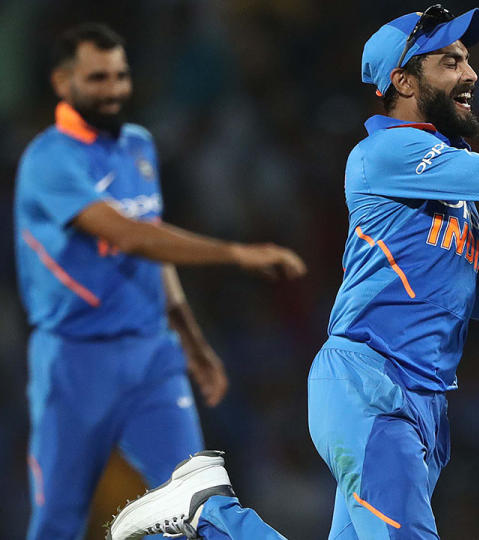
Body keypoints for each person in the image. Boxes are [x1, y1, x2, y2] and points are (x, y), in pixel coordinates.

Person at [108, 5, 479, 539]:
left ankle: (208, 511)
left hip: (422, 402)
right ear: (404, 81)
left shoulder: (446, 185)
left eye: (468, 59)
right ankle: (213, 514)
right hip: (371, 386)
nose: (471, 73)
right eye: (450, 61)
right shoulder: (388, 156)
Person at [14, 23, 306, 540]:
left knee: (202, 499)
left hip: (152, 356)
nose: (114, 89)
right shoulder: (47, 160)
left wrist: (190, 340)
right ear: (63, 82)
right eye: (98, 77)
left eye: (121, 76)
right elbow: (127, 236)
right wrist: (235, 254)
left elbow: (151, 244)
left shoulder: (138, 145)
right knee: (58, 521)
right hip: (75, 361)